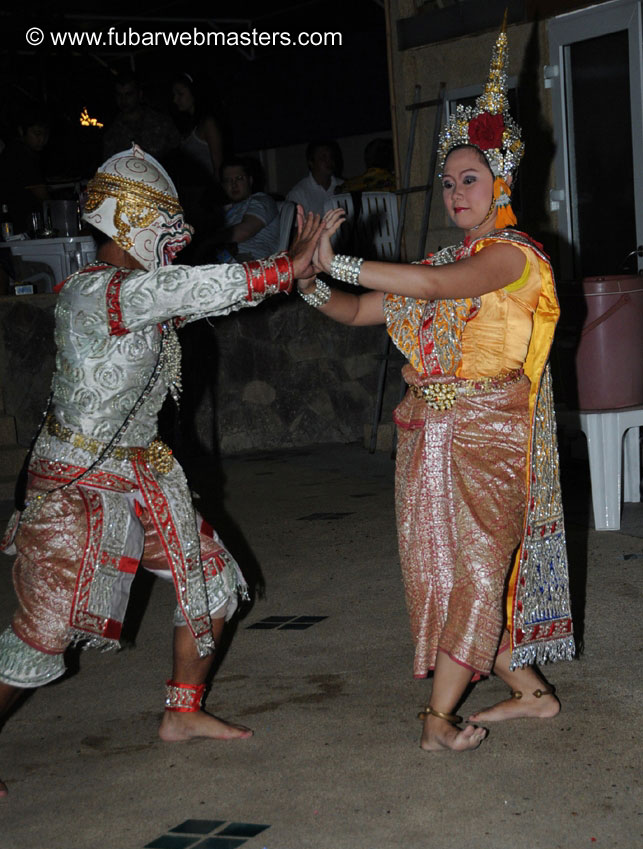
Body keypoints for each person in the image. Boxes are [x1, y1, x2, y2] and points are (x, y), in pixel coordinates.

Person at [0, 144, 322, 797]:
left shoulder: (136, 293)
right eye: (161, 225)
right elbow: (185, 287)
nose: (174, 240)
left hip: (140, 476)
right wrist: (283, 267)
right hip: (78, 487)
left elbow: (195, 295)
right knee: (43, 636)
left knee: (214, 588)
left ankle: (181, 711)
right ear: (124, 222)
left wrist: (284, 273)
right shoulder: (101, 295)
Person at [298, 25, 575, 752]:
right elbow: (357, 311)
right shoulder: (455, 254)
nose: (455, 192)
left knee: (480, 572)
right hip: (433, 433)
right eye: (448, 181)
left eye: (469, 179)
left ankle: (437, 720)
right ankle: (532, 694)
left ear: (502, 182)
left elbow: (425, 285)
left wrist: (342, 258)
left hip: (490, 436)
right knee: (454, 573)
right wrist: (304, 280)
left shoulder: (511, 259)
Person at [102, 73, 180, 163]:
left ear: (139, 94)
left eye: (129, 94)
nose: (123, 100)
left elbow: (178, 153)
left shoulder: (161, 122)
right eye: (119, 95)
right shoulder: (112, 132)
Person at [217, 157, 280, 262]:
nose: (234, 185)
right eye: (228, 180)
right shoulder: (224, 211)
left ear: (250, 180)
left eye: (239, 178)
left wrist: (207, 240)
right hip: (225, 261)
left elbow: (244, 231)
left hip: (250, 262)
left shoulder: (261, 200)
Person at [0, 107, 50, 235]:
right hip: (19, 228)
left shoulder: (17, 151)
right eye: (37, 134)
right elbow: (42, 194)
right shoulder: (21, 154)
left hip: (18, 227)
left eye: (45, 134)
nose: (42, 139)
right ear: (22, 131)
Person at [171, 73, 224, 183]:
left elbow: (218, 166)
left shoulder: (208, 123)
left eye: (180, 94)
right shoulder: (185, 124)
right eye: (174, 95)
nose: (175, 100)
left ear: (194, 94)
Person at [286, 141, 343, 215]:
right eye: (323, 157)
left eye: (331, 156)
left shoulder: (343, 186)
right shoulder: (298, 194)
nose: (329, 161)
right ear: (311, 162)